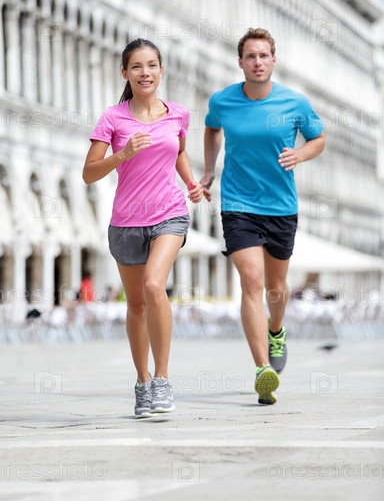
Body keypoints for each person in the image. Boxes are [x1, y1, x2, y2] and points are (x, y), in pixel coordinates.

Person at [82, 38, 209, 418]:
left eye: (152, 65)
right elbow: (89, 173)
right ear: (125, 73)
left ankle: (162, 379)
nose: (145, 72)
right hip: (125, 222)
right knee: (136, 306)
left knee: (155, 285)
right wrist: (123, 154)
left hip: (169, 213)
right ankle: (141, 382)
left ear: (161, 70)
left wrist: (190, 184)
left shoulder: (178, 114)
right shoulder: (113, 118)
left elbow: (181, 151)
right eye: (136, 67)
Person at [201, 28, 325, 405]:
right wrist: (209, 170)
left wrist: (300, 155)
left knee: (276, 288)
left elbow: (318, 138)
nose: (257, 62)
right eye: (250, 56)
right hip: (237, 204)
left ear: (274, 60)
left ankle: (276, 330)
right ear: (240, 62)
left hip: (281, 208)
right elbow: (211, 129)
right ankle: (262, 370)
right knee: (251, 282)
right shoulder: (223, 100)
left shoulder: (295, 102)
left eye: (264, 56)